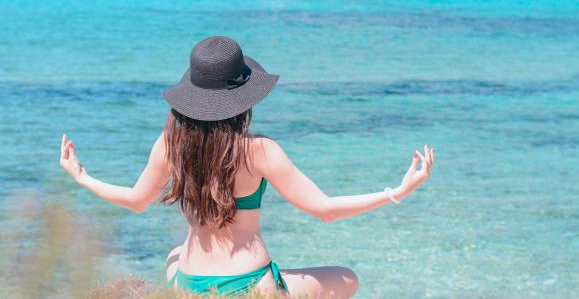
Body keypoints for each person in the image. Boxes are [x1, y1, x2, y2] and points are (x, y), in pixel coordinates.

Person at [59, 36, 435, 298]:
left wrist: (82, 176)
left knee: (175, 254)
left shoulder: (170, 144)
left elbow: (137, 201)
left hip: (189, 284)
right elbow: (325, 210)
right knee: (346, 279)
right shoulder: (260, 151)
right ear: (243, 98)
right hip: (252, 285)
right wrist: (396, 193)